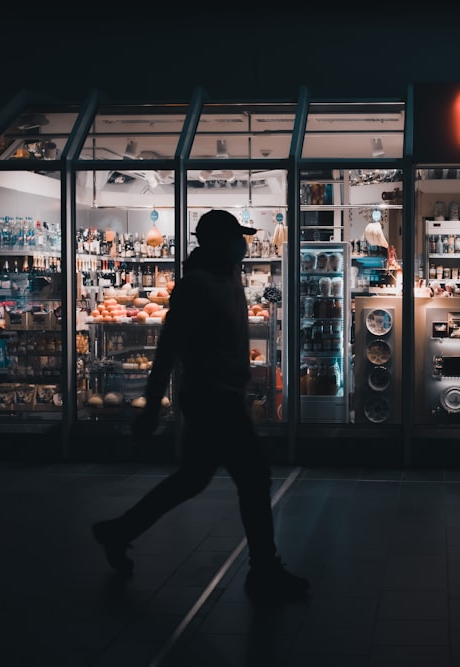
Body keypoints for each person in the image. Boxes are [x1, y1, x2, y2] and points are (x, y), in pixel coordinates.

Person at [91, 209, 309, 604]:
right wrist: (153, 405)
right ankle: (263, 570)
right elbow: (169, 346)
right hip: (211, 398)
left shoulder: (228, 277)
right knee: (255, 478)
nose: (243, 245)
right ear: (216, 242)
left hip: (223, 395)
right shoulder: (196, 285)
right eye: (236, 238)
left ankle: (119, 531)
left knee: (191, 479)